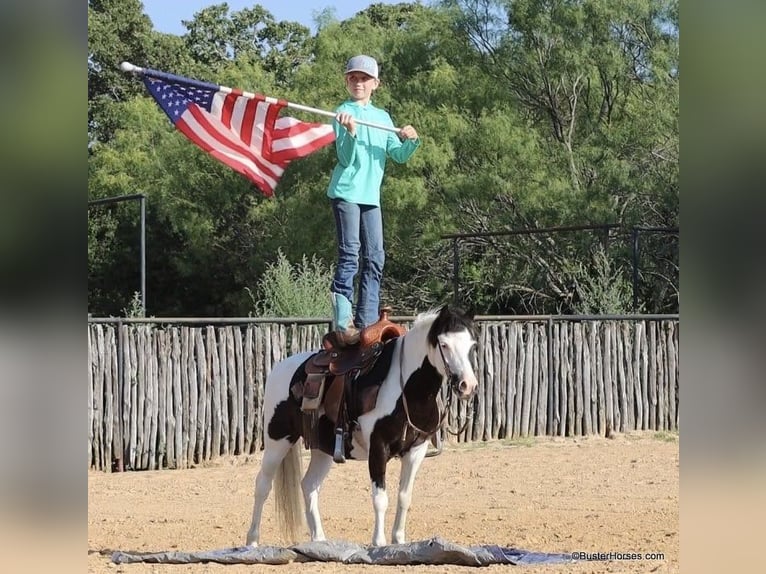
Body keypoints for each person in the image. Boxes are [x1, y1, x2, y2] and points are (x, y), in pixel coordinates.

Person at [327, 54, 420, 345]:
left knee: (376, 257)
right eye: (353, 77)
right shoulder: (342, 112)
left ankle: (367, 322)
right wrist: (350, 132)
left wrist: (411, 139)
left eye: (364, 78)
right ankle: (343, 322)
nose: (358, 82)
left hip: (371, 196)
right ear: (347, 81)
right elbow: (344, 158)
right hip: (346, 192)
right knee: (350, 254)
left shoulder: (383, 118)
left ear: (375, 84)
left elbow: (399, 156)